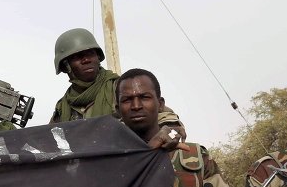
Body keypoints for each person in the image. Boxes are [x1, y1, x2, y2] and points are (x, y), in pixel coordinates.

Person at [51, 28, 186, 149]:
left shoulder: (121, 89)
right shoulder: (63, 106)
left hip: (125, 161)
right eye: (77, 57)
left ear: (98, 57)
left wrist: (170, 132)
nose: (86, 60)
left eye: (90, 54)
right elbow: (49, 139)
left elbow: (167, 120)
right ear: (65, 66)